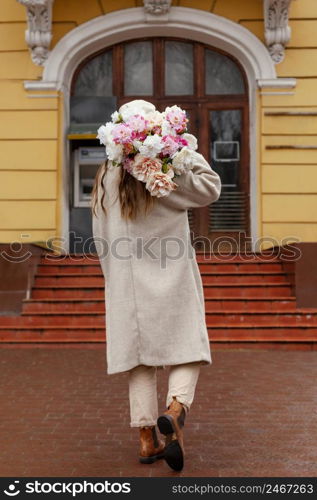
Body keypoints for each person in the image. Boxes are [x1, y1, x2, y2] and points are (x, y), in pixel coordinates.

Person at [91, 100, 221, 471]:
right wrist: (184, 148)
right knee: (188, 346)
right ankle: (176, 409)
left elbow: (100, 230)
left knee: (139, 358)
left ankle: (147, 441)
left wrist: (111, 276)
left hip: (127, 276)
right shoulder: (171, 163)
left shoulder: (107, 172)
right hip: (174, 271)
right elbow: (210, 189)